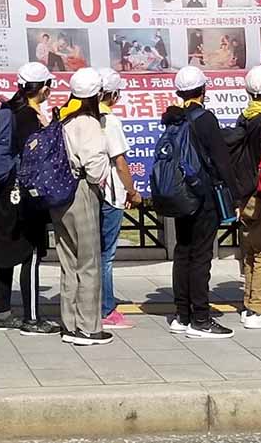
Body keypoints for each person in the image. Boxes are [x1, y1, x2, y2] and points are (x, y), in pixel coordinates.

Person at [164, 66, 239, 338]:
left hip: (181, 196)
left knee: (183, 252)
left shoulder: (173, 118)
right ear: (203, 90)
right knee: (200, 256)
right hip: (202, 197)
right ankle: (201, 318)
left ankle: (181, 315)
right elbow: (221, 160)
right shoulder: (205, 119)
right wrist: (235, 194)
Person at [0, 62, 59, 336]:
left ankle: (2, 313)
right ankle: (31, 318)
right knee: (30, 253)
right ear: (43, 89)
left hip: (1, 191)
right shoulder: (30, 117)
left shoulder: (6, 112)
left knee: (5, 253)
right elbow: (37, 157)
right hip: (24, 194)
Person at [53, 68, 112, 345]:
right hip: (80, 190)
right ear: (97, 94)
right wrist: (96, 183)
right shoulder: (88, 122)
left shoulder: (64, 119)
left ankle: (69, 323)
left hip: (59, 194)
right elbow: (95, 163)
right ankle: (88, 327)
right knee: (89, 261)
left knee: (68, 260)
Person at [235, 65, 261, 330]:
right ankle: (258, 309)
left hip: (243, 194)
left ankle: (249, 303)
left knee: (249, 251)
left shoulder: (243, 118)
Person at [99, 68, 142, 330]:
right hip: (110, 193)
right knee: (106, 254)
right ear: (113, 94)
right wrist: (132, 191)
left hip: (89, 193)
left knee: (92, 253)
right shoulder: (109, 121)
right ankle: (106, 308)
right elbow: (120, 162)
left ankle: (92, 304)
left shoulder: (79, 116)